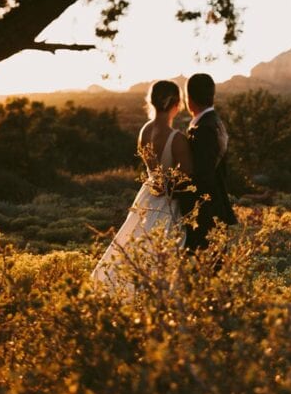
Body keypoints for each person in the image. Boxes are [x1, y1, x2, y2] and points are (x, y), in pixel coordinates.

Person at [91, 80, 192, 295]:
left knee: (136, 244)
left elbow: (152, 169)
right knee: (164, 252)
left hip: (147, 196)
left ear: (152, 101)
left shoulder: (144, 131)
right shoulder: (178, 139)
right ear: (177, 103)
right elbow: (188, 177)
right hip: (168, 200)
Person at [180, 73, 237, 252]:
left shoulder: (204, 128)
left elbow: (202, 177)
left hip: (206, 214)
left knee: (207, 270)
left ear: (188, 99)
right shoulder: (215, 121)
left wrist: (172, 188)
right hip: (214, 207)